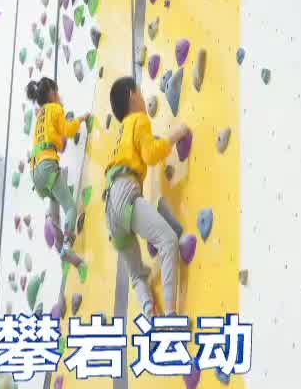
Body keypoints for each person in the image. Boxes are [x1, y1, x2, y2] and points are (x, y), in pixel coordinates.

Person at [103, 76, 189, 318]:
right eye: (140, 92)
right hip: (125, 192)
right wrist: (175, 136)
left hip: (110, 208)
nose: (142, 98)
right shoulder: (138, 119)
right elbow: (150, 155)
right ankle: (170, 318)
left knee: (137, 275)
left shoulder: (122, 132)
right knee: (168, 241)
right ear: (133, 95)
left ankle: (150, 314)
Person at [25, 77, 84, 265]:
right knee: (71, 208)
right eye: (57, 92)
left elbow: (57, 143)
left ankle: (56, 232)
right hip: (47, 165)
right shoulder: (55, 109)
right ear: (52, 93)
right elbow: (68, 131)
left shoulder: (39, 118)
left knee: (55, 199)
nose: (59, 96)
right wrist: (81, 119)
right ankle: (66, 245)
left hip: (35, 172)